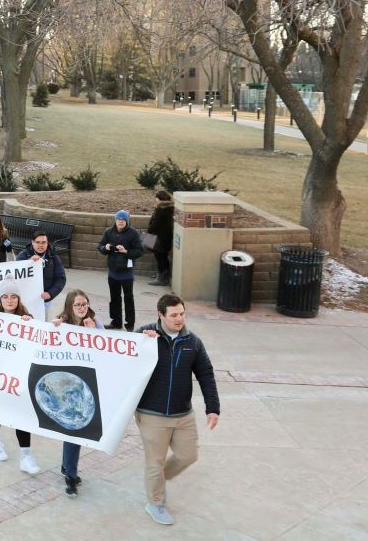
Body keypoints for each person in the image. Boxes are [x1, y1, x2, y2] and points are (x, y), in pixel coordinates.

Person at [136, 294, 220, 526]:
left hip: (183, 414)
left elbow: (206, 374)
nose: (179, 319)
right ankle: (155, 503)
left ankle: (158, 482)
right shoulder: (145, 335)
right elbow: (123, 357)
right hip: (151, 413)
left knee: (188, 455)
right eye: (174, 315)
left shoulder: (193, 342)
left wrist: (213, 408)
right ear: (160, 315)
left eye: (182, 313)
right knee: (155, 462)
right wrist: (142, 342)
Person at [0, 276, 40, 474]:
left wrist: (29, 325)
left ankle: (25, 456)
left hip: (17, 374)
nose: (9, 300)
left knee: (20, 411)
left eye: (13, 297)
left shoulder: (27, 317)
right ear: (0, 299)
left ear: (18, 299)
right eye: (5, 296)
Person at [50, 290, 99, 497]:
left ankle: (66, 466)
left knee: (75, 429)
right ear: (70, 306)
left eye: (85, 304)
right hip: (66, 385)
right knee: (74, 428)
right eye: (78, 305)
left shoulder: (94, 322)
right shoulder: (61, 324)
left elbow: (110, 349)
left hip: (85, 383)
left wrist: (95, 333)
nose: (82, 308)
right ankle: (70, 475)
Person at [98, 210, 145, 331]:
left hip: (126, 273)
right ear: (115, 220)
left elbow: (140, 251)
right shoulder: (109, 232)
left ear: (127, 221)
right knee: (114, 298)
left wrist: (126, 251)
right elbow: (100, 247)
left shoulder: (133, 233)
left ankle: (130, 324)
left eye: (123, 219)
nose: (120, 221)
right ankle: (116, 321)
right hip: (113, 272)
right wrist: (106, 248)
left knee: (128, 298)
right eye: (118, 219)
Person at [15, 231, 67, 308]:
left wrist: (50, 293)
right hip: (25, 300)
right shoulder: (23, 255)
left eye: (43, 242)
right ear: (32, 242)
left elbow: (61, 278)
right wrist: (28, 262)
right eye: (38, 242)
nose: (40, 245)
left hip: (44, 301)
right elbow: (15, 275)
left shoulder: (54, 257)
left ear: (47, 243)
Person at [146, 190, 175, 286]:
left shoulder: (160, 209)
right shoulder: (170, 208)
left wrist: (148, 231)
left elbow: (154, 225)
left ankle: (162, 278)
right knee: (163, 257)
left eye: (156, 197)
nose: (155, 199)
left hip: (158, 238)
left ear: (160, 198)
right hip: (166, 237)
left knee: (159, 257)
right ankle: (161, 275)